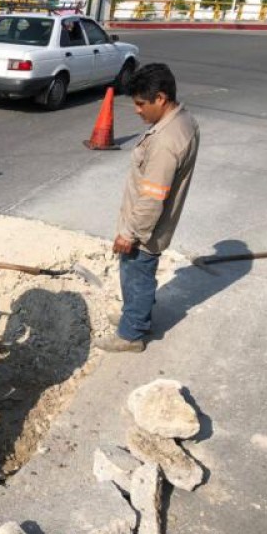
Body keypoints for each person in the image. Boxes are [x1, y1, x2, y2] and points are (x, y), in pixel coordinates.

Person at [98, 63, 200, 352]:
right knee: (137, 277)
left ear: (161, 99)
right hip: (150, 225)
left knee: (137, 276)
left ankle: (131, 335)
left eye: (141, 104)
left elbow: (152, 198)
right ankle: (136, 317)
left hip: (144, 230)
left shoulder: (166, 142)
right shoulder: (183, 121)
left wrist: (129, 234)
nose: (137, 110)